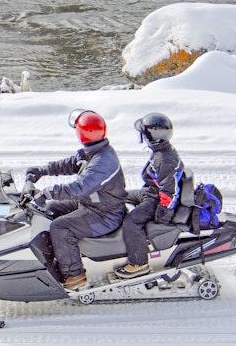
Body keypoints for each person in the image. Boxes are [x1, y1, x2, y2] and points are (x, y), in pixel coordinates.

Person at [26, 109, 127, 291]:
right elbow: (70, 163)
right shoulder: (94, 151)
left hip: (106, 214)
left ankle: (75, 275)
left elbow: (79, 187)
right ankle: (58, 254)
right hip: (92, 203)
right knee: (52, 208)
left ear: (82, 133)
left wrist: (48, 191)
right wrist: (42, 170)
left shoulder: (103, 161)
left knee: (60, 227)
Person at [114, 112, 184, 279]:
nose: (143, 137)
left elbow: (169, 192)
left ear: (152, 137)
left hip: (156, 199)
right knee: (118, 197)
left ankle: (139, 263)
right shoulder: (161, 151)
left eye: (144, 134)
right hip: (150, 192)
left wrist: (161, 217)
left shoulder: (165, 160)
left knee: (131, 222)